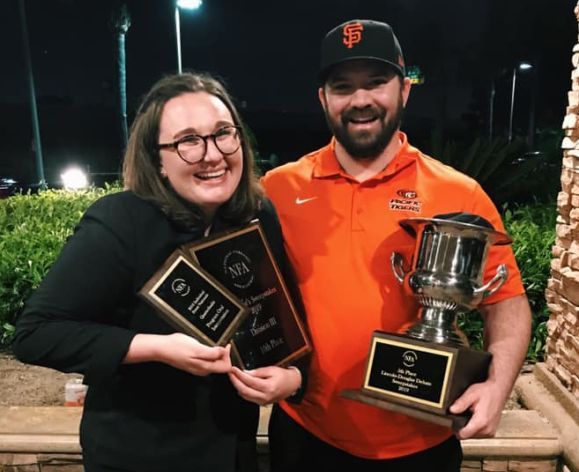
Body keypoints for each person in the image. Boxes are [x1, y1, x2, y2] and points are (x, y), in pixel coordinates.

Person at [262, 19, 532, 472]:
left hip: (421, 444)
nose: (360, 100)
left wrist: (498, 386)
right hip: (306, 433)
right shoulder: (278, 188)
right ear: (323, 99)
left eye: (376, 82)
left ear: (404, 91)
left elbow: (506, 302)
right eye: (342, 86)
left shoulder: (458, 193)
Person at [12, 72, 301, 472]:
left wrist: (292, 378)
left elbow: (280, 319)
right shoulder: (120, 222)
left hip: (233, 449)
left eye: (223, 133)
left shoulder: (256, 215)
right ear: (157, 160)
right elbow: (35, 333)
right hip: (141, 453)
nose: (213, 154)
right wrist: (157, 348)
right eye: (188, 141)